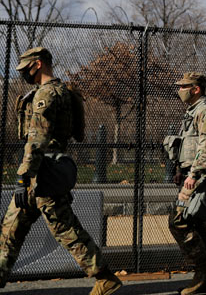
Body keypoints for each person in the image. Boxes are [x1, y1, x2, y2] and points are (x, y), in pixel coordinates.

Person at [0, 47, 121, 295]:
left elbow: (37, 138)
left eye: (25, 69)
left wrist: (23, 176)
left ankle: (105, 278)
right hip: (44, 170)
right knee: (11, 229)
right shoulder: (63, 91)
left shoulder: (46, 94)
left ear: (38, 64)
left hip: (42, 172)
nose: (23, 74)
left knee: (64, 228)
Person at [168, 72, 206, 295]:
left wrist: (192, 176)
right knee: (197, 225)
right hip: (192, 177)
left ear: (196, 89)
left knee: (178, 221)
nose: (179, 90)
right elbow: (190, 146)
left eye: (184, 86)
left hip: (200, 179)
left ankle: (203, 273)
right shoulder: (194, 112)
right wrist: (180, 171)